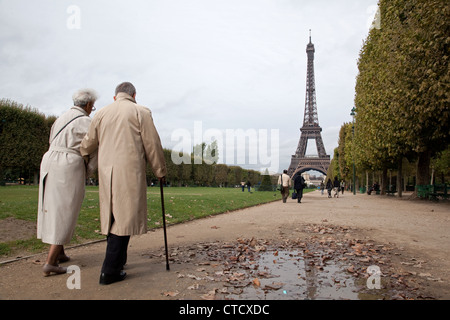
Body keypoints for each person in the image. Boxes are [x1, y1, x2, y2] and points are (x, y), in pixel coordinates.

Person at [80, 82, 166, 285]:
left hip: (106, 171)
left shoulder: (101, 113)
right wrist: (160, 170)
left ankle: (118, 263)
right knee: (123, 219)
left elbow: (89, 142)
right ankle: (109, 271)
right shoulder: (140, 111)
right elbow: (152, 144)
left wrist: (84, 154)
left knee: (113, 217)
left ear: (115, 97)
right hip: (129, 171)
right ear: (134, 95)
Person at [37, 89, 98, 276]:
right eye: (92, 106)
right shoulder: (87, 121)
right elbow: (92, 149)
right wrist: (89, 171)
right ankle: (50, 262)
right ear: (88, 105)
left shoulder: (61, 118)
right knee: (65, 209)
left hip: (48, 161)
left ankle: (60, 252)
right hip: (68, 164)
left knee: (52, 207)